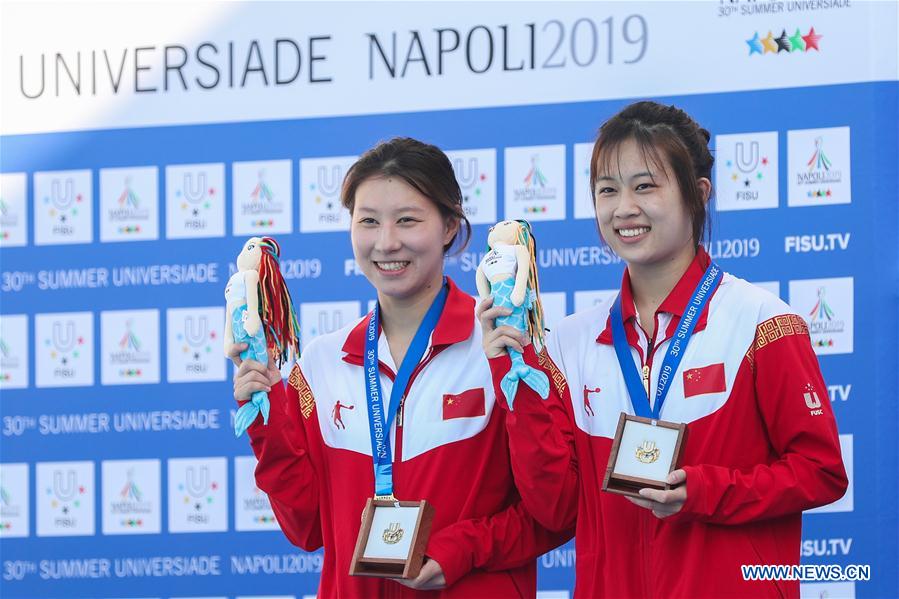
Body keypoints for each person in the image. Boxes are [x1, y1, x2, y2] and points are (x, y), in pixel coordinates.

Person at [478, 101, 848, 598]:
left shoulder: (764, 324)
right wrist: (517, 370)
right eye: (607, 190)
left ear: (698, 194)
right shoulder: (568, 343)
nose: (623, 207)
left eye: (645, 185)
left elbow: (821, 472)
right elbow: (557, 508)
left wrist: (706, 490)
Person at [230, 137, 570, 598]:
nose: (387, 242)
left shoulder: (503, 348)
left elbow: (554, 512)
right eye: (368, 221)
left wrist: (459, 551)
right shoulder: (321, 361)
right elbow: (306, 527)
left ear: (449, 226)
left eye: (407, 220)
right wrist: (268, 420)